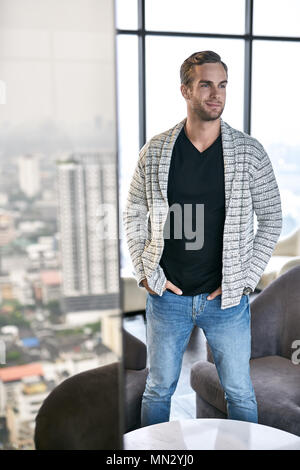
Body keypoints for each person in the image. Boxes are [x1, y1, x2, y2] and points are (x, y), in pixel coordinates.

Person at [123, 50, 282, 426]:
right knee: (158, 390)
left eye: (223, 84)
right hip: (167, 297)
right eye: (206, 84)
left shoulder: (249, 152)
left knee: (240, 392)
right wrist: (146, 273)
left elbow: (272, 219)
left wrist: (244, 278)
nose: (217, 93)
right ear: (185, 90)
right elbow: (133, 214)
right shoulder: (157, 151)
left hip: (226, 300)